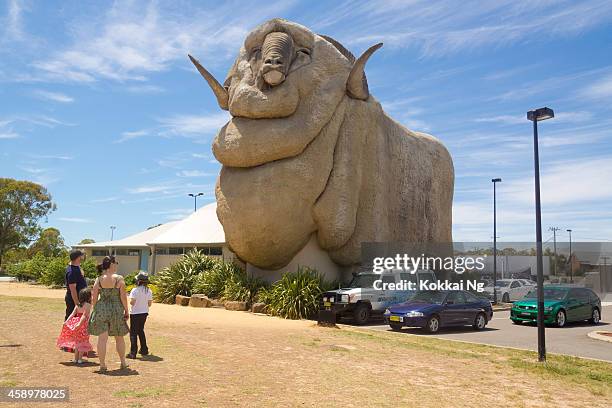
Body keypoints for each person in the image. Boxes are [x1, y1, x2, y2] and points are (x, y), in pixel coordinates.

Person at [88, 256, 130, 372]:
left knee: (102, 339)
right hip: (116, 309)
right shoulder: (119, 278)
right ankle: (123, 363)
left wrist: (96, 308)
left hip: (102, 309)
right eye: (116, 263)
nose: (117, 265)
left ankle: (102, 365)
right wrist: (126, 310)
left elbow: (94, 297)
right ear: (111, 264)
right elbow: (123, 297)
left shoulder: (99, 279)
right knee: (119, 338)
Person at [57, 288, 93, 363]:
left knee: (77, 342)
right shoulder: (88, 305)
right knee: (83, 341)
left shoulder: (77, 305)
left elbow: (72, 314)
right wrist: (80, 324)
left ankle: (76, 359)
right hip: (83, 325)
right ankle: (80, 359)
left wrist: (66, 321)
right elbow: (84, 316)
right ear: (88, 297)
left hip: (76, 324)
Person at [127, 272, 153, 359]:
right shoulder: (149, 291)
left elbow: (132, 302)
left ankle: (133, 352)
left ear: (138, 281)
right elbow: (149, 304)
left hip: (135, 313)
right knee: (140, 330)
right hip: (144, 313)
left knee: (133, 333)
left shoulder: (135, 290)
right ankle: (144, 349)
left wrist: (131, 300)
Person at [65, 250, 87, 321]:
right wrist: (77, 304)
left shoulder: (76, 267)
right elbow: (73, 289)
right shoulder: (72, 271)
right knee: (70, 319)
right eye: (81, 256)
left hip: (80, 298)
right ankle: (66, 332)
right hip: (74, 300)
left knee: (77, 320)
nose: (83, 257)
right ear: (78, 258)